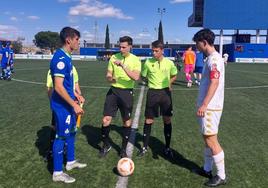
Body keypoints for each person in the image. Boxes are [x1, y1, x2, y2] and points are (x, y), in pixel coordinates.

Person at [50, 27, 86, 183]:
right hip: (62, 106)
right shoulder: (60, 59)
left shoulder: (67, 57)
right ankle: (57, 173)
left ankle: (70, 162)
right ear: (69, 40)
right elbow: (58, 86)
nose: (78, 42)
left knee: (71, 132)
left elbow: (66, 84)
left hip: (69, 103)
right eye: (77, 39)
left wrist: (76, 95)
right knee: (61, 136)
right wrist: (74, 104)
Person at [193, 29, 227, 187]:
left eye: (197, 43)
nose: (196, 46)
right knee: (206, 139)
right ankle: (207, 169)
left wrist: (205, 104)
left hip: (210, 108)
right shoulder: (211, 58)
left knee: (212, 140)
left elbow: (214, 82)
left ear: (204, 42)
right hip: (208, 107)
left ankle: (221, 175)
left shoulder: (214, 60)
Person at [99, 36, 141, 158]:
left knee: (126, 122)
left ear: (130, 47)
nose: (121, 49)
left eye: (124, 47)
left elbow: (136, 77)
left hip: (126, 93)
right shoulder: (113, 57)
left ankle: (123, 150)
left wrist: (123, 66)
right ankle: (106, 145)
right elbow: (108, 75)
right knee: (105, 120)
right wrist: (110, 79)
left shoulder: (135, 60)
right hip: (113, 91)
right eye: (120, 47)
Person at [138, 40, 177, 157]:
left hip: (165, 93)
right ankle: (144, 147)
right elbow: (143, 77)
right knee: (149, 120)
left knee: (167, 120)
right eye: (153, 51)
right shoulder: (148, 63)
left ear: (162, 51)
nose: (154, 53)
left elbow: (174, 75)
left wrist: (169, 83)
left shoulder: (169, 63)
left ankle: (167, 147)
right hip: (153, 93)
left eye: (156, 51)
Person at [46, 66, 85, 161]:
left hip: (71, 105)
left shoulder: (73, 68)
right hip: (59, 105)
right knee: (56, 127)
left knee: (71, 128)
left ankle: (67, 152)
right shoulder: (54, 69)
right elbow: (50, 88)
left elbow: (75, 84)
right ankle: (51, 151)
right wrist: (53, 104)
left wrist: (79, 96)